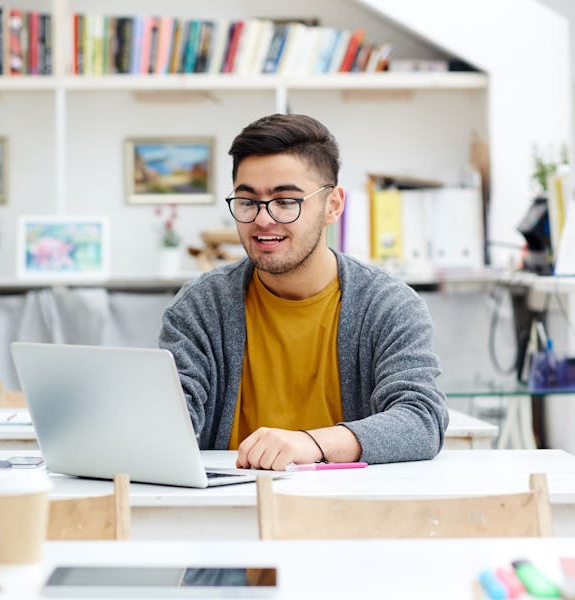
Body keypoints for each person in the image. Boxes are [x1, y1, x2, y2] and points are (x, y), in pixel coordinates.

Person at [159, 113, 448, 470]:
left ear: (333, 206)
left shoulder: (388, 305)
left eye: (286, 201)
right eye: (248, 202)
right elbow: (171, 421)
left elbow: (421, 420)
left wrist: (310, 443)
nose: (264, 220)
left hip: (351, 511)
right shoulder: (200, 307)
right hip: (227, 512)